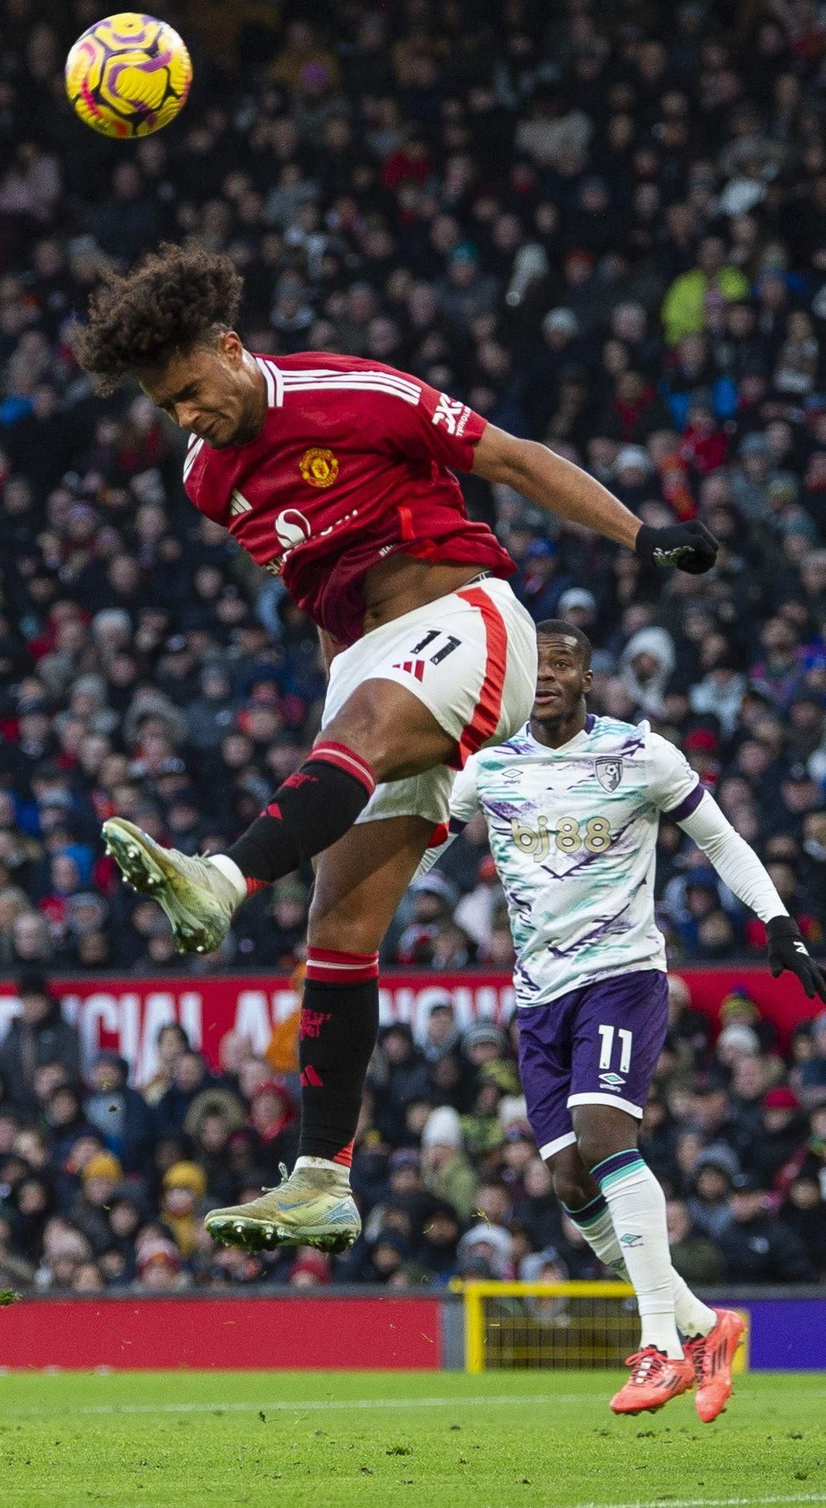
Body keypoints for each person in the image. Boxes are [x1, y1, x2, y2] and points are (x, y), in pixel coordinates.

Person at [72, 244, 720, 1254]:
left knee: (358, 738)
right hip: (372, 666)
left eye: (192, 391)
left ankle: (219, 879)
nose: (187, 417)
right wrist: (343, 697)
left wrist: (642, 537)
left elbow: (514, 459)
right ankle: (322, 1179)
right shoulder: (207, 478)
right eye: (167, 408)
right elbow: (321, 591)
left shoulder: (355, 394)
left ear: (231, 349)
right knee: (337, 925)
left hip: (467, 620)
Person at [425, 619, 824, 1415]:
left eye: (563, 664)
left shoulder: (638, 754)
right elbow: (420, 849)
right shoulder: (489, 764)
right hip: (538, 998)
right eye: (537, 664)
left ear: (588, 678)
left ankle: (660, 1347)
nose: (547, 676)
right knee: (570, 1180)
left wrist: (777, 921)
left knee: (606, 1137)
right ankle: (705, 1325)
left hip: (620, 977)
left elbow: (720, 839)